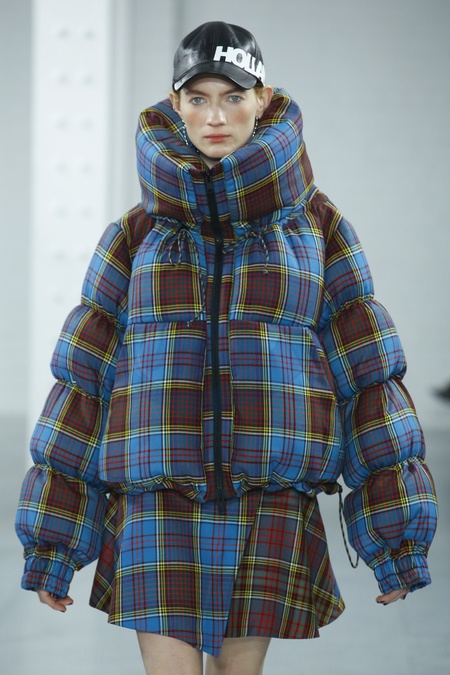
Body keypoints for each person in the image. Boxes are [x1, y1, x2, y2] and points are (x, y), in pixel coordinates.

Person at [16, 21, 438, 675]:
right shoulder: (135, 236)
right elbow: (82, 385)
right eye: (199, 98)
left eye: (233, 97)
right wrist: (53, 543)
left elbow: (368, 378)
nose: (215, 116)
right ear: (176, 103)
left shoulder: (318, 230)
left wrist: (396, 538)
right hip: (155, 496)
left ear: (262, 99)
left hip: (267, 496)